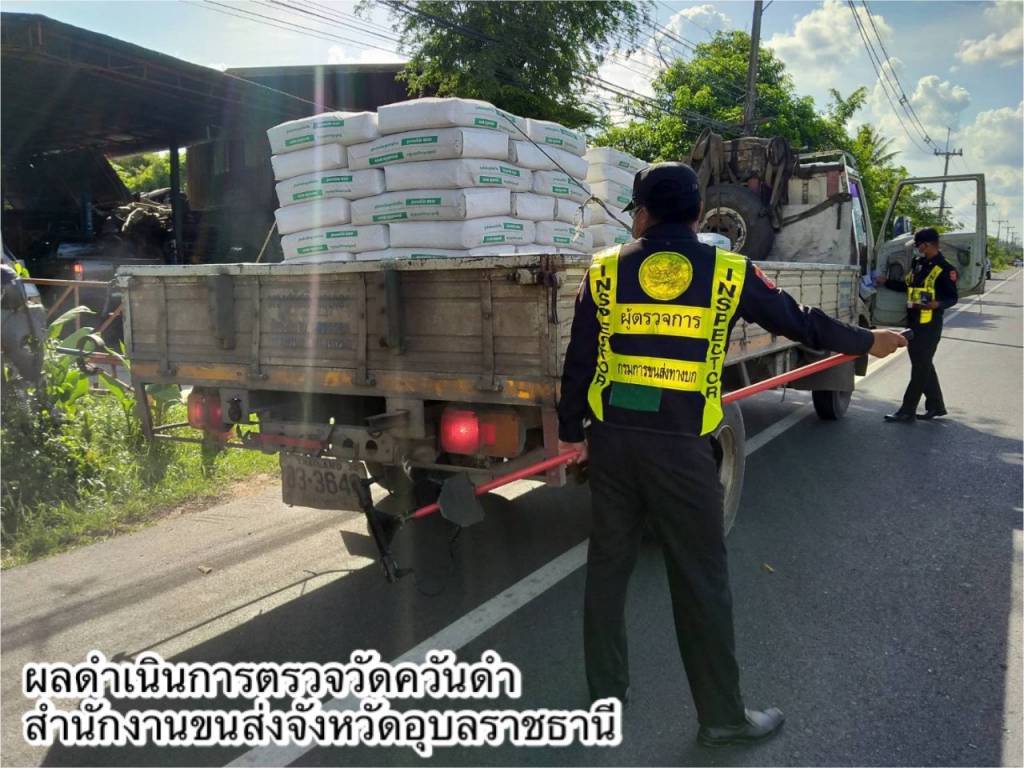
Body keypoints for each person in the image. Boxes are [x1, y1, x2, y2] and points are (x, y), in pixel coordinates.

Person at [557, 163, 907, 747]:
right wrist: (866, 340)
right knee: (700, 581)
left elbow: (580, 358)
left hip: (614, 440)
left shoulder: (605, 269)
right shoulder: (729, 271)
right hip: (682, 449)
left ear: (642, 213)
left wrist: (572, 432)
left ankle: (606, 693)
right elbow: (800, 323)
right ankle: (720, 717)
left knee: (608, 568)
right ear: (699, 214)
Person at [875, 227, 958, 422]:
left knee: (920, 367)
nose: (916, 249)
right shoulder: (918, 263)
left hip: (929, 325)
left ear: (927, 245)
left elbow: (952, 297)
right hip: (913, 321)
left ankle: (907, 410)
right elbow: (908, 287)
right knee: (923, 364)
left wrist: (937, 304)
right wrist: (886, 282)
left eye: (918, 245)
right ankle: (936, 406)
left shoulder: (946, 269)